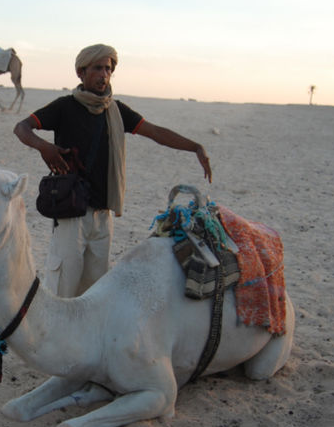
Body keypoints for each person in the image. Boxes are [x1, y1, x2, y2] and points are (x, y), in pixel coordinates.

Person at [13, 43, 212, 298]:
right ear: (81, 73)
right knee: (63, 289)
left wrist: (195, 147)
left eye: (108, 69)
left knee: (95, 292)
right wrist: (44, 148)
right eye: (97, 68)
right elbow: (22, 128)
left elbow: (155, 132)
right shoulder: (64, 107)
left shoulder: (116, 111)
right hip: (71, 212)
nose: (104, 74)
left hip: (103, 214)